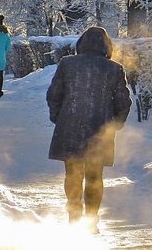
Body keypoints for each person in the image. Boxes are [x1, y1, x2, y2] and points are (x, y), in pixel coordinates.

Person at [46, 26, 131, 231]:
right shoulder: (114, 68)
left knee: (72, 174)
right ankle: (91, 221)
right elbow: (123, 101)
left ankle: (74, 217)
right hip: (100, 130)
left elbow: (54, 93)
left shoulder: (68, 64)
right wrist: (115, 124)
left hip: (70, 125)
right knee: (95, 177)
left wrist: (58, 116)